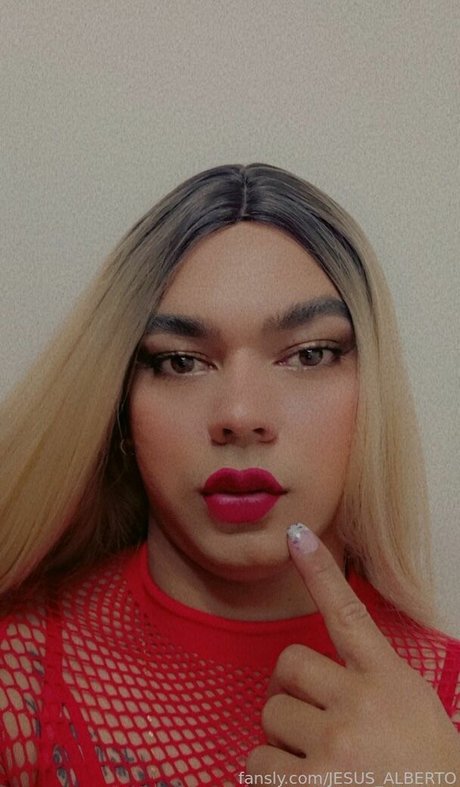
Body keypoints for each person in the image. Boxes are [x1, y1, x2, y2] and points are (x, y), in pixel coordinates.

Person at [0, 163, 458, 786]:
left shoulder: (447, 709)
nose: (240, 416)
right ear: (120, 402)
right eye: (181, 362)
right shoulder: (18, 677)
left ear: (373, 388)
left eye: (309, 354)